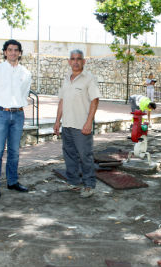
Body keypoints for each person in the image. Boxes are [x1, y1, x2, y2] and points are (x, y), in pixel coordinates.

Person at [0, 39, 32, 198]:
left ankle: (12, 182)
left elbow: (24, 93)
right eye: (10, 49)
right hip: (0, 114)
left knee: (14, 151)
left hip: (18, 114)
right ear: (5, 52)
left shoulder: (25, 73)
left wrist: (17, 106)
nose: (13, 52)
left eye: (16, 50)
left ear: (19, 53)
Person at [53, 49, 101, 198]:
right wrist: (57, 121)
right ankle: (73, 182)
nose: (75, 61)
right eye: (72, 59)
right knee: (69, 156)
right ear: (69, 61)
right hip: (67, 125)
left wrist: (89, 122)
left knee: (85, 156)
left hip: (82, 126)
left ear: (83, 61)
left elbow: (95, 100)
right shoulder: (66, 78)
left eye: (78, 59)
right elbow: (62, 101)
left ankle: (89, 185)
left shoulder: (89, 78)